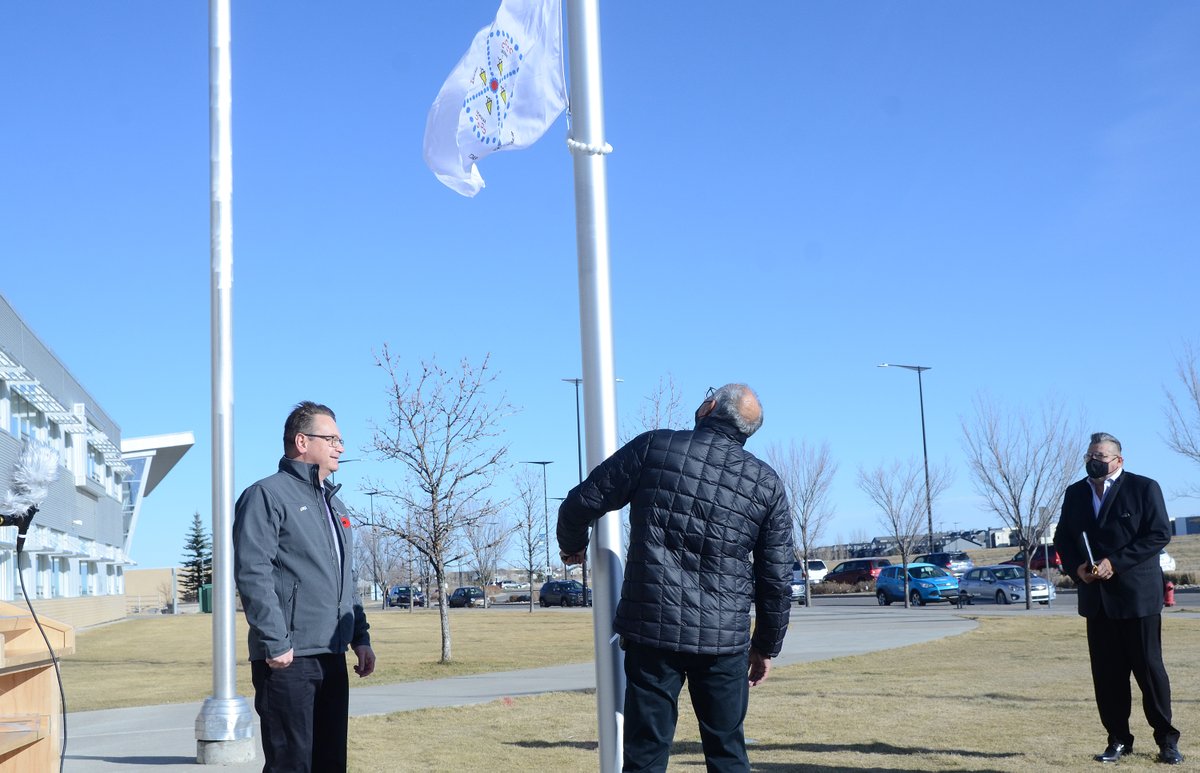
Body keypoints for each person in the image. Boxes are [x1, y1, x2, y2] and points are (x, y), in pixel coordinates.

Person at [557, 383, 793, 773]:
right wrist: (766, 646)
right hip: (723, 640)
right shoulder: (765, 483)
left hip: (653, 632)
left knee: (645, 755)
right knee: (728, 753)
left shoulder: (655, 447)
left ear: (710, 406)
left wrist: (573, 547)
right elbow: (776, 578)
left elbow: (580, 503)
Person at [233, 401, 375, 772]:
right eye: (332, 439)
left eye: (340, 440)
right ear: (302, 441)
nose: (340, 447)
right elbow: (253, 573)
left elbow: (346, 577)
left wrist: (360, 637)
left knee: (330, 763)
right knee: (292, 765)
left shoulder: (335, 505)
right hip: (288, 660)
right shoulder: (265, 496)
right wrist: (276, 641)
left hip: (332, 654)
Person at [1052, 432, 1182, 765]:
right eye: (1089, 456)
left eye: (1100, 456)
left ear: (1118, 460)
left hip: (1137, 599)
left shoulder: (1144, 488)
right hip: (1096, 601)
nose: (1093, 461)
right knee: (1107, 676)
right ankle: (1118, 740)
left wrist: (1116, 562)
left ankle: (1167, 741)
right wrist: (1076, 568)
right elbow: (1062, 537)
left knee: (1149, 673)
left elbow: (1158, 534)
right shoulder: (1075, 493)